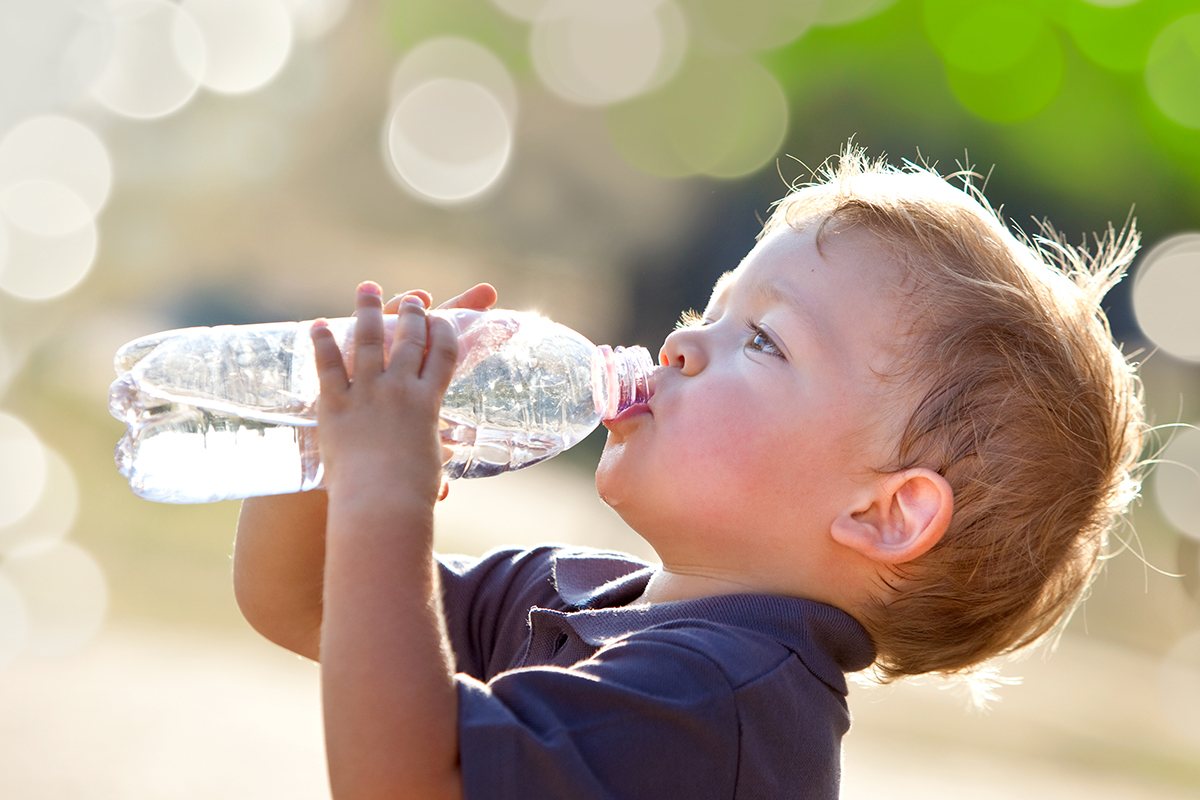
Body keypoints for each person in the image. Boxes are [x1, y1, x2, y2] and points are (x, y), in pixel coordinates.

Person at [231, 148, 1146, 800]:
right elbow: (303, 598)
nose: (680, 343)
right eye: (709, 307)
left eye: (761, 339)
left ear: (884, 512)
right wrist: (325, 439)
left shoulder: (722, 702)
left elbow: (399, 781)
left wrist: (385, 495)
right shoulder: (583, 596)